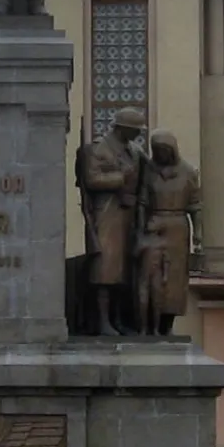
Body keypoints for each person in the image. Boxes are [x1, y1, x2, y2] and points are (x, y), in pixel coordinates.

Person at [76, 107, 147, 335]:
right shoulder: (99, 149)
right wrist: (121, 177)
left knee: (124, 272)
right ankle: (102, 321)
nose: (138, 134)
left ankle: (118, 319)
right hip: (107, 212)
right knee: (105, 269)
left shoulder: (135, 150)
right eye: (135, 130)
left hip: (129, 214)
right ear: (121, 128)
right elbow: (92, 178)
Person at [135, 129, 202, 336]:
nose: (160, 155)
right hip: (154, 225)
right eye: (156, 151)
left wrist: (198, 233)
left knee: (174, 279)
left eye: (163, 151)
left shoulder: (188, 172)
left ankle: (168, 324)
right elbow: (142, 203)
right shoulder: (149, 171)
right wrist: (140, 230)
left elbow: (195, 205)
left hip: (177, 228)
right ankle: (147, 325)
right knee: (149, 278)